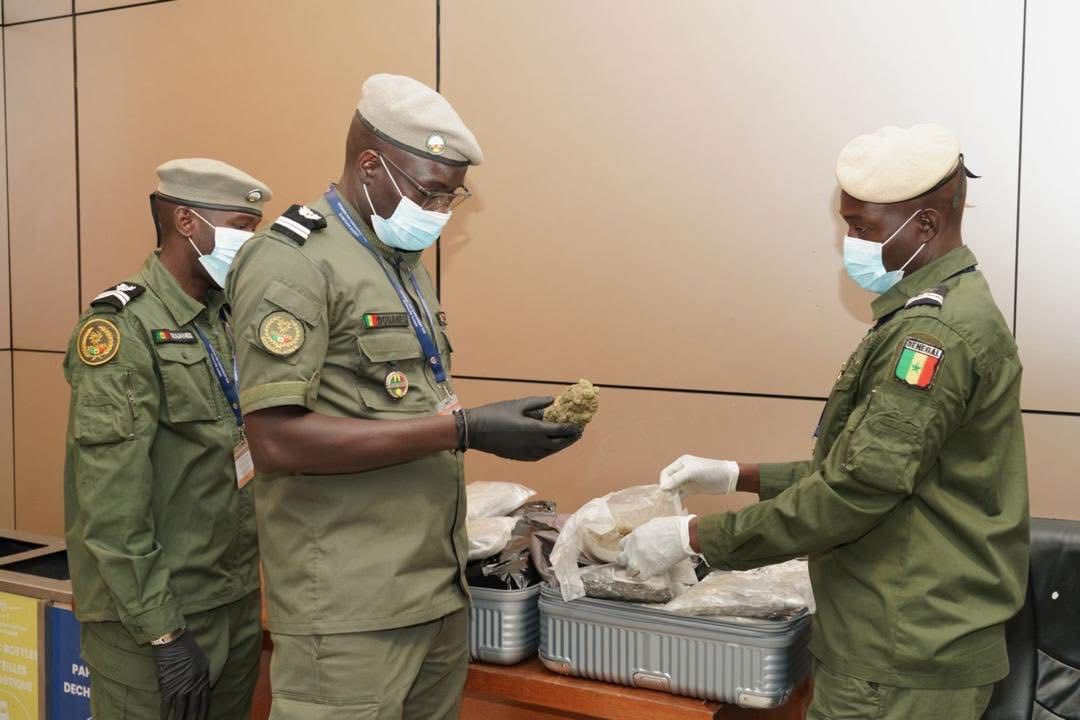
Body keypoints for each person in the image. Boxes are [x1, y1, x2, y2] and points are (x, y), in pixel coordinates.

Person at [618, 124, 1029, 719]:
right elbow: (877, 466)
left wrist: (695, 538)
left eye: (863, 228)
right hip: (909, 637)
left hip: (900, 650)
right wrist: (736, 474)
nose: (850, 244)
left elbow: (856, 490)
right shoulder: (942, 308)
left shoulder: (932, 334)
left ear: (925, 225)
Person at [226, 74, 582, 719]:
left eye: (451, 196)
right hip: (350, 607)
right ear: (370, 165)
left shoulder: (399, 261)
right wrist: (467, 430)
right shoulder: (294, 261)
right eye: (430, 192)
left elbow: (406, 405)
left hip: (433, 592)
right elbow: (275, 440)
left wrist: (500, 429)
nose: (441, 211)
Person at [63, 158, 271, 720]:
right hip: (152, 619)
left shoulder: (224, 318)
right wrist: (163, 632)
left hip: (230, 599)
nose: (250, 243)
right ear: (186, 221)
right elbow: (111, 505)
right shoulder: (121, 329)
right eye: (241, 227)